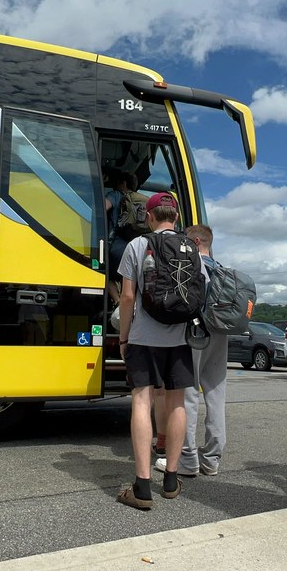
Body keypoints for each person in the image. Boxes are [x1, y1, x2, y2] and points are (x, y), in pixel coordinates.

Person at [115, 192, 203, 509]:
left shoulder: (137, 246)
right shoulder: (191, 247)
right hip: (179, 338)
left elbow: (127, 298)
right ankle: (170, 479)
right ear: (176, 218)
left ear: (149, 218)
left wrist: (124, 338)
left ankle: (141, 487)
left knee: (142, 401)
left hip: (143, 336)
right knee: (177, 402)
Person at [152, 224, 228, 477]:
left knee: (188, 394)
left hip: (196, 334)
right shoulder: (222, 270)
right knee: (216, 395)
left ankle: (187, 459)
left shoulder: (192, 265)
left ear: (195, 242)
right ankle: (212, 459)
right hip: (221, 334)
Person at [104, 169, 140, 305]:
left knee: (105, 274)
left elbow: (104, 207)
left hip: (116, 248)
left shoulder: (116, 195)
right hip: (135, 248)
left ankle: (118, 301)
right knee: (128, 277)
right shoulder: (138, 200)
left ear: (123, 183)